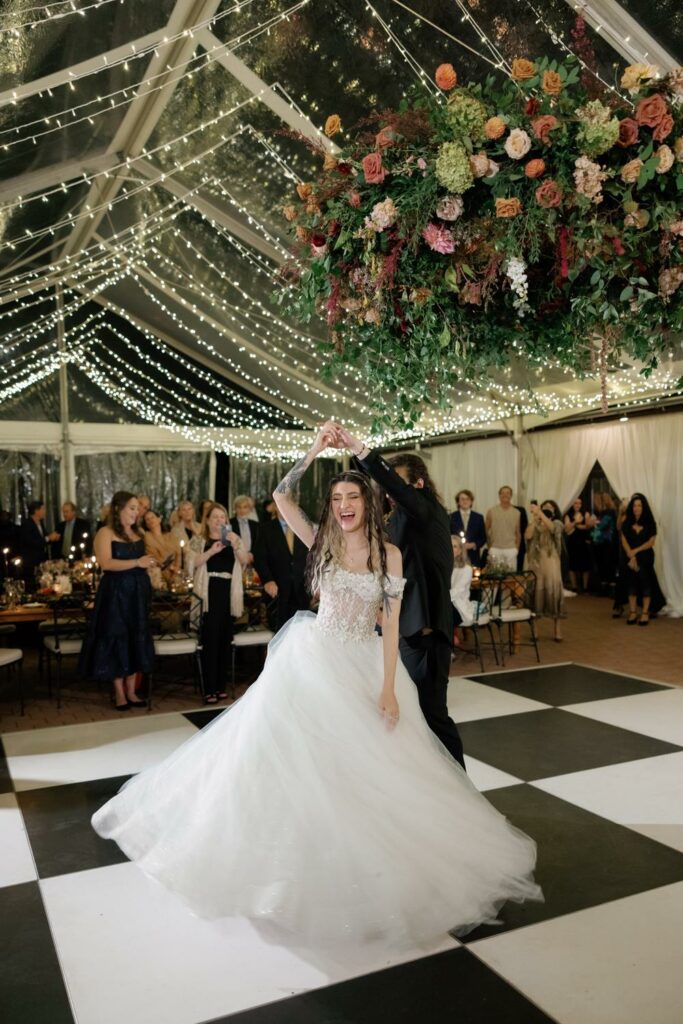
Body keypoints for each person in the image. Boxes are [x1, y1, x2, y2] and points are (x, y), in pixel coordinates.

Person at [91, 423, 541, 946]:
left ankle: (362, 872)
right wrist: (314, 451)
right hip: (310, 659)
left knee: (367, 773)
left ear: (369, 504)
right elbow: (281, 496)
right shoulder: (322, 539)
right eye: (337, 498)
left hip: (364, 664)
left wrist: (390, 688)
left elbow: (391, 626)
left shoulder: (388, 555)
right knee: (286, 761)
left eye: (353, 497)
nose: (345, 505)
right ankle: (282, 868)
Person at [338, 429, 465, 770]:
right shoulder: (401, 521)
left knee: (433, 717)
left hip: (423, 632)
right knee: (407, 718)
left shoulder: (426, 511)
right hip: (404, 629)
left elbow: (389, 484)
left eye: (399, 483)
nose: (391, 491)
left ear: (418, 484)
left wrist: (358, 448)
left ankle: (462, 794)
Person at [79, 492, 156, 711]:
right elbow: (107, 564)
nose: (136, 512)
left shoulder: (138, 532)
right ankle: (119, 693)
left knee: (134, 638)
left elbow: (140, 563)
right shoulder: (106, 532)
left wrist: (149, 564)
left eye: (137, 508)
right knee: (117, 637)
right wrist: (137, 562)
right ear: (119, 509)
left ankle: (132, 691)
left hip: (137, 593)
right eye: (132, 508)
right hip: (115, 594)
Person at [190, 503, 248, 703]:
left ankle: (221, 686)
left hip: (228, 593)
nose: (218, 520)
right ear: (207, 520)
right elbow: (192, 563)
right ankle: (209, 688)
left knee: (224, 640)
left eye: (222, 517)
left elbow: (244, 561)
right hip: (208, 593)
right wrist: (211, 551)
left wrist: (236, 545)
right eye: (214, 517)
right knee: (210, 641)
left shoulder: (233, 538)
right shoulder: (199, 540)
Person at [253, 504, 310, 632]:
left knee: (301, 634)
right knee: (279, 634)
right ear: (276, 508)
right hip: (277, 593)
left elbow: (311, 557)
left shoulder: (303, 527)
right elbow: (259, 559)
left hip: (302, 592)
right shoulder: (265, 529)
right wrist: (267, 580)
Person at [621, 493, 665, 626]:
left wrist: (636, 551)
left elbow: (651, 542)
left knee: (646, 582)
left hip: (645, 557)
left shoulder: (650, 523)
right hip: (630, 558)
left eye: (639, 505)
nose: (636, 508)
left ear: (644, 507)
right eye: (634, 505)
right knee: (631, 584)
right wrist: (631, 554)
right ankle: (633, 612)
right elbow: (623, 540)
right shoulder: (626, 522)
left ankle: (645, 612)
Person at [525, 500, 565, 642]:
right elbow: (528, 536)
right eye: (544, 507)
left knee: (554, 594)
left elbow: (553, 529)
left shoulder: (558, 522)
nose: (547, 509)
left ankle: (557, 630)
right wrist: (534, 520)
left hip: (552, 563)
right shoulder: (536, 522)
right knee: (535, 594)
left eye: (550, 507)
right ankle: (535, 631)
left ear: (554, 510)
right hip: (536, 564)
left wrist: (540, 513)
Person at [19, 500, 59, 584]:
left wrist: (53, 538)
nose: (44, 512)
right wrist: (48, 538)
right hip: (31, 562)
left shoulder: (40, 523)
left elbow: (44, 538)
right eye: (43, 509)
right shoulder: (27, 524)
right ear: (36, 511)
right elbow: (31, 542)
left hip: (41, 560)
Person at [485, 487, 521, 571]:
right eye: (503, 493)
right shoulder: (491, 511)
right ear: (499, 495)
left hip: (511, 549)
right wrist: (490, 547)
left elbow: (518, 532)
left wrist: (517, 548)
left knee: (510, 578)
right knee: (495, 577)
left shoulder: (517, 512)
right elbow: (486, 530)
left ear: (511, 495)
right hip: (495, 549)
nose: (505, 495)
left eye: (507, 493)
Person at [449, 489, 486, 568]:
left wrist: (473, 544)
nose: (465, 501)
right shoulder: (451, 517)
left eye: (467, 499)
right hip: (456, 556)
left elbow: (483, 537)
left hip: (474, 556)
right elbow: (449, 535)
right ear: (458, 502)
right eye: (462, 499)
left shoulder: (479, 517)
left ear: (471, 501)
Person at [143, 510, 182, 584]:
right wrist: (170, 567)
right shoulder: (147, 536)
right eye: (147, 519)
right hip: (159, 570)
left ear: (159, 519)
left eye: (152, 517)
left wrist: (176, 567)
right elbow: (153, 555)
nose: (150, 520)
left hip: (175, 570)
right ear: (146, 524)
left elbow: (178, 553)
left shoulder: (171, 536)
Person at [563, 497, 593, 592]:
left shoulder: (586, 513)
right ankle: (574, 586)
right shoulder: (568, 515)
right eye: (575, 503)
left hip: (583, 542)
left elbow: (588, 526)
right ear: (572, 504)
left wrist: (576, 526)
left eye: (579, 503)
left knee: (585, 565)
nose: (577, 505)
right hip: (572, 542)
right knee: (572, 564)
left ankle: (585, 587)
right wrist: (575, 522)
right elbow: (567, 529)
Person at [591, 493, 618, 595]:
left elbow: (602, 525)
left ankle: (611, 589)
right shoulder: (600, 513)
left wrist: (594, 522)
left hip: (609, 543)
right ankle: (604, 587)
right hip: (600, 542)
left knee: (609, 564)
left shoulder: (610, 512)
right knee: (601, 564)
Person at [449, 535, 477, 630]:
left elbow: (457, 592)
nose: (451, 548)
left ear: (460, 551)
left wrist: (440, 600)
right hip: (447, 604)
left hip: (459, 607)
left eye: (455, 546)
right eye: (449, 545)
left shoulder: (467, 569)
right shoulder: (444, 567)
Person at [230, 494, 260, 567]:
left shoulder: (256, 525)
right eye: (239, 507)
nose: (242, 510)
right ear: (235, 508)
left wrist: (251, 554)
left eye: (245, 507)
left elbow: (258, 543)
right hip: (234, 560)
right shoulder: (229, 523)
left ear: (249, 509)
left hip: (252, 560)